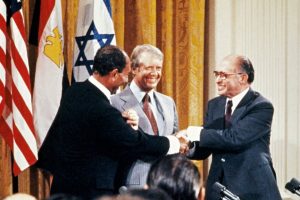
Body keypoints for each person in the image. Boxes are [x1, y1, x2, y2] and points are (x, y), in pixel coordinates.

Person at [37, 45, 187, 200]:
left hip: (63, 188)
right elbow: (136, 143)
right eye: (126, 74)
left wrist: (123, 122)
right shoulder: (101, 107)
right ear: (115, 74)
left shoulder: (75, 92)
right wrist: (175, 143)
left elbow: (89, 132)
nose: (126, 79)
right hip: (89, 192)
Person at [182, 55, 281, 200]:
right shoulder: (214, 105)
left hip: (251, 186)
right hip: (218, 186)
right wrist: (188, 146)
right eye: (216, 74)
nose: (217, 80)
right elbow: (209, 143)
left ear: (242, 78)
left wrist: (193, 132)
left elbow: (234, 138)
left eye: (223, 75)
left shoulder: (261, 106)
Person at [111, 44, 179, 188]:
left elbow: (174, 140)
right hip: (133, 186)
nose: (154, 73)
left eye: (158, 68)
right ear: (134, 69)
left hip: (165, 186)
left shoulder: (168, 102)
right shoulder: (114, 102)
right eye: (148, 68)